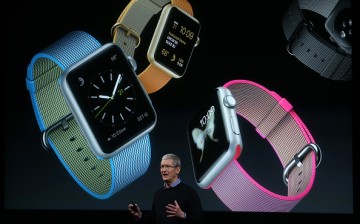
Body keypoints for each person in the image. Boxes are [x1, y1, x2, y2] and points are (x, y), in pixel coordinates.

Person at [128, 153, 204, 224]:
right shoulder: (158, 194)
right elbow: (154, 220)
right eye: (162, 166)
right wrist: (140, 216)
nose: (163, 170)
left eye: (167, 166)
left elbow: (199, 220)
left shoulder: (189, 192)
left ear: (177, 170)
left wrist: (183, 215)